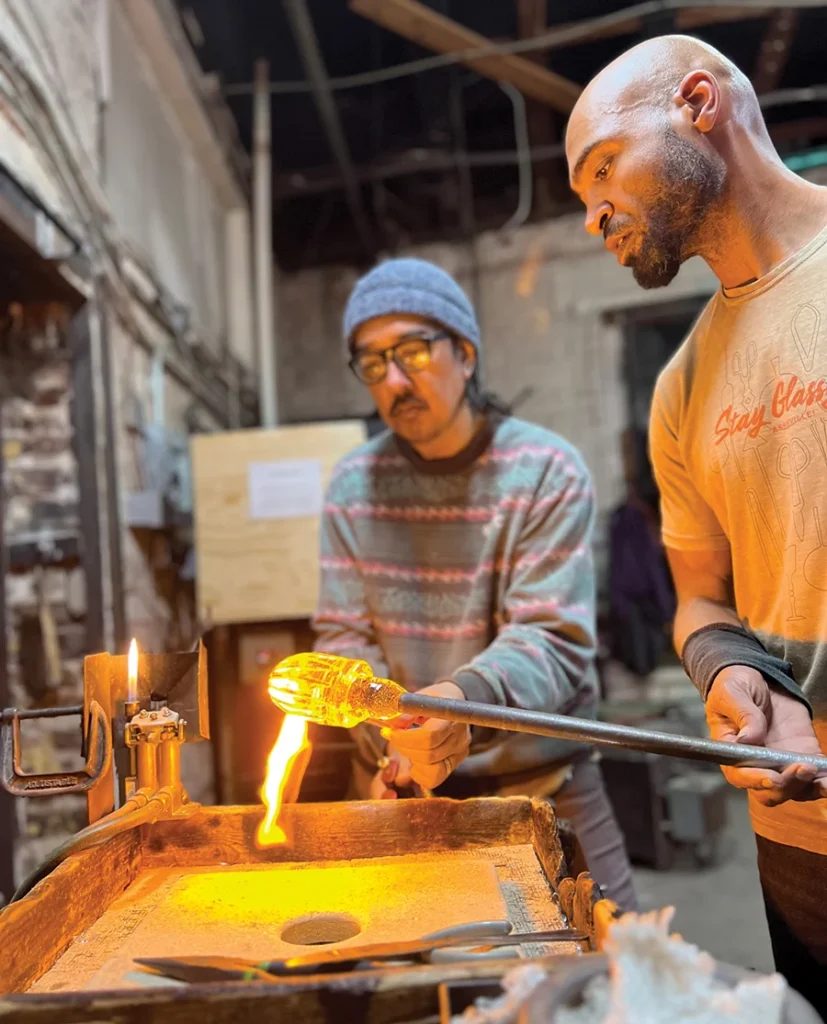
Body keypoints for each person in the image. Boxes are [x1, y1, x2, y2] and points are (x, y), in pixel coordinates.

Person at [566, 34, 827, 1010]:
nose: (593, 212)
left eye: (600, 169)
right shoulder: (679, 388)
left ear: (695, 103)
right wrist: (734, 673)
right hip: (799, 835)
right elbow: (700, 599)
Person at [313, 257, 637, 911]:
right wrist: (399, 745)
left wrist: (456, 710)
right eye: (372, 363)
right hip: (397, 783)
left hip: (543, 783)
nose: (394, 380)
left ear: (464, 352)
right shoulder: (352, 487)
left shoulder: (544, 470)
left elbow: (551, 638)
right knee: (399, 985)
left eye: (411, 350)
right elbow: (343, 636)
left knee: (611, 971)